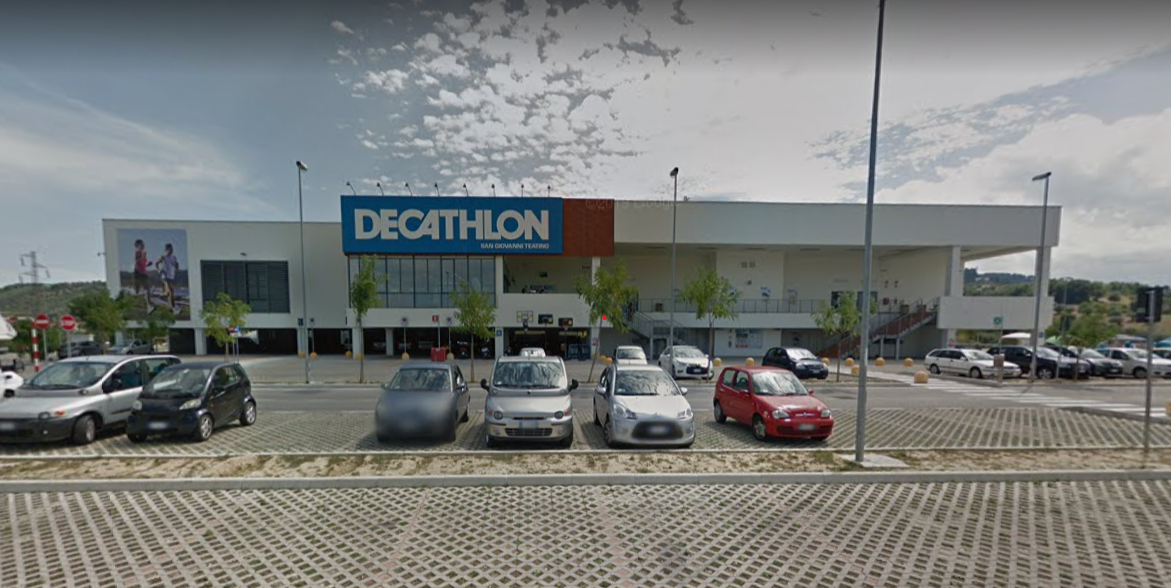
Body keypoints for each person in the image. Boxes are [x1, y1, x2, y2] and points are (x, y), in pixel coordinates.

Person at [155, 243, 180, 313]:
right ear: (166, 250)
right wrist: (158, 269)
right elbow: (156, 263)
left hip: (171, 277)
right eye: (170, 249)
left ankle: (168, 305)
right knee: (171, 291)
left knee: (169, 293)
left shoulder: (174, 258)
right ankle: (174, 308)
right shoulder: (163, 257)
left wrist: (177, 265)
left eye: (172, 249)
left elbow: (177, 267)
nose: (171, 250)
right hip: (165, 276)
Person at [132, 239, 153, 312]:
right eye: (141, 244)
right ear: (138, 246)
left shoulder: (143, 253)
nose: (143, 245)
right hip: (139, 272)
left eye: (143, 244)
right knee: (140, 289)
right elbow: (137, 261)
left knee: (147, 289)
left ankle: (148, 306)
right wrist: (143, 256)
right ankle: (144, 306)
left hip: (144, 272)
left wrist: (148, 264)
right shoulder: (138, 252)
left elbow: (143, 264)